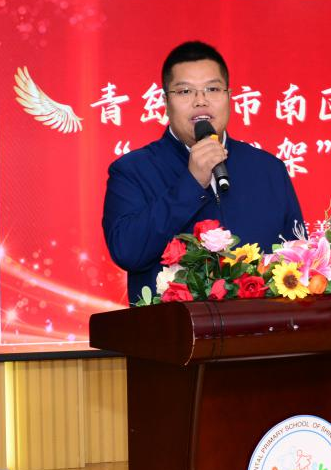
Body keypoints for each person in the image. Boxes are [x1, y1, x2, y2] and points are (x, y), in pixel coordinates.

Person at [102, 41, 305, 302]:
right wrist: (191, 183)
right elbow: (128, 251)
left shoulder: (268, 169)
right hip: (173, 326)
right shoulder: (133, 171)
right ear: (166, 102)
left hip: (260, 325)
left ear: (229, 97)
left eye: (212, 89)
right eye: (185, 91)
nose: (201, 101)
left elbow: (298, 260)